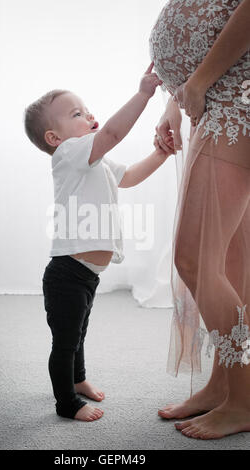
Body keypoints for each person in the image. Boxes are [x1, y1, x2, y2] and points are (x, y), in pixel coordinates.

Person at [24, 63, 175, 421]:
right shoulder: (70, 154)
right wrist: (143, 95)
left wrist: (161, 153)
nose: (88, 115)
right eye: (77, 114)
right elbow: (110, 133)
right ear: (54, 138)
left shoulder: (96, 161)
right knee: (65, 342)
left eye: (86, 108)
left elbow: (130, 176)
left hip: (86, 273)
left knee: (78, 334)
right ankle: (67, 404)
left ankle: (77, 381)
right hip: (66, 273)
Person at [149, 0, 250, 439]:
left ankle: (245, 399)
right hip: (216, 102)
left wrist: (201, 80)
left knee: (194, 260)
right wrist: (178, 96)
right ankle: (223, 385)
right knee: (230, 265)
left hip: (233, 102)